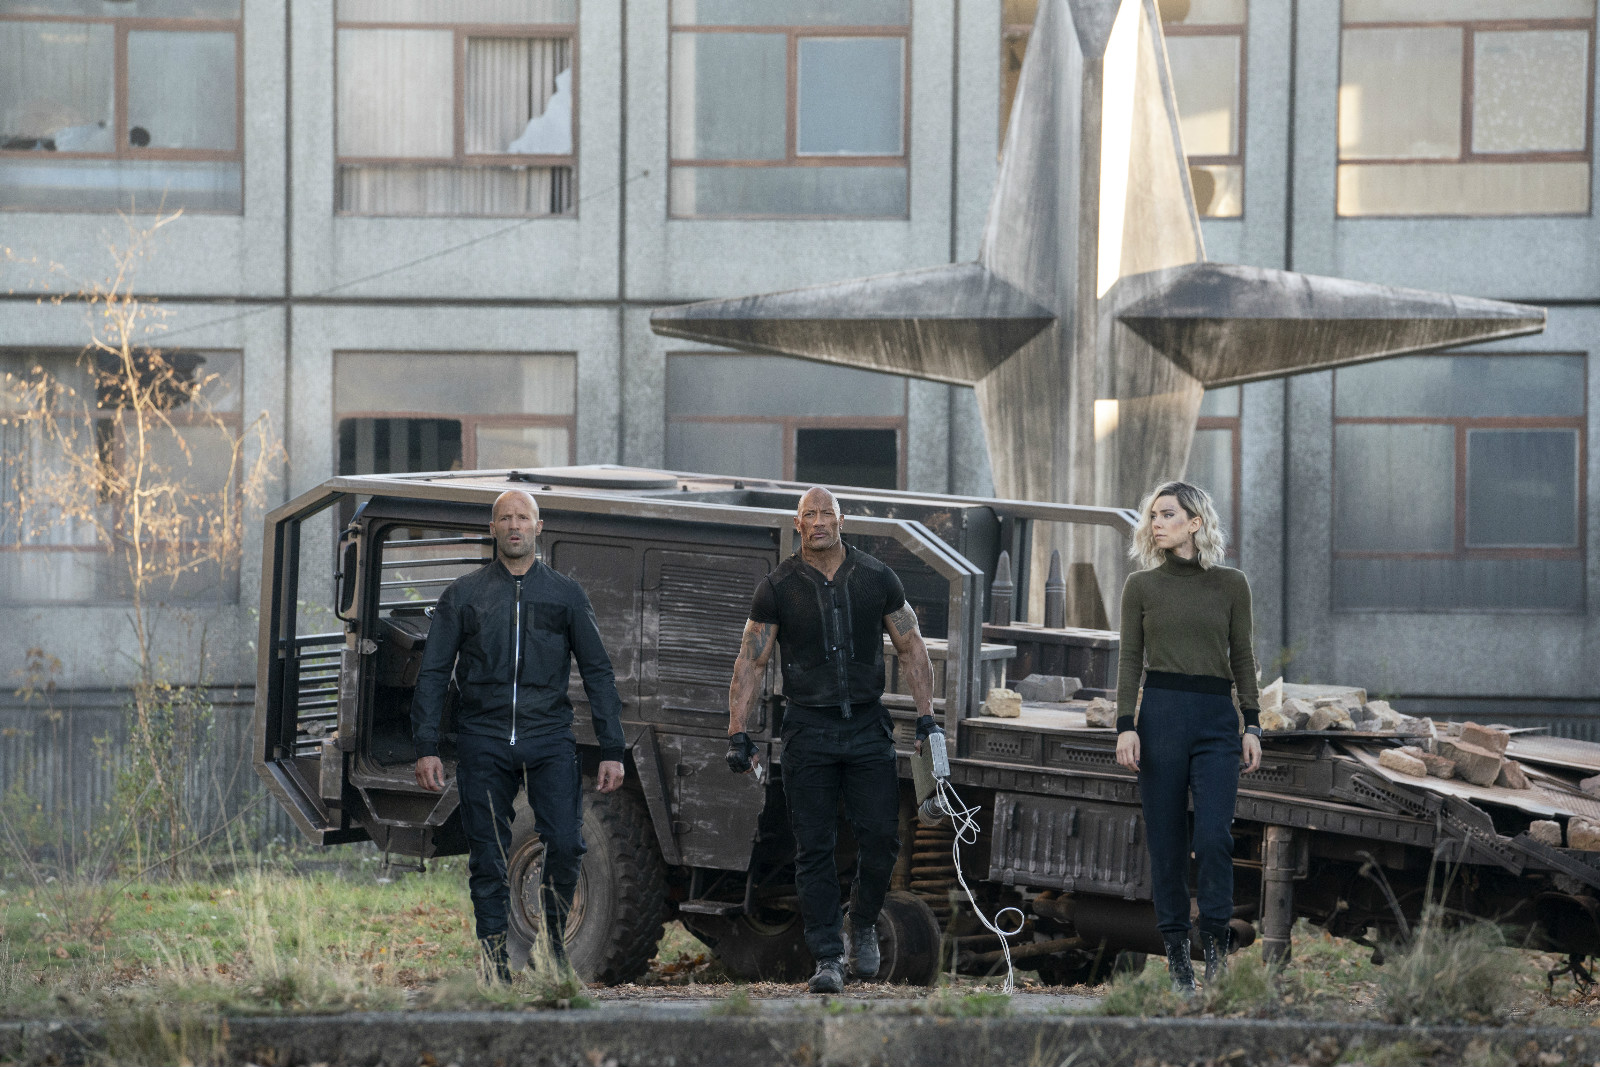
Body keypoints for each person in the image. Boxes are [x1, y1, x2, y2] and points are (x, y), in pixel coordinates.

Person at [725, 487, 939, 994]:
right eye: (810, 515)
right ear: (797, 525)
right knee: (814, 849)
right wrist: (737, 730)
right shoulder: (777, 587)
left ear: (842, 522)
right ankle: (827, 956)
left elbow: (911, 647)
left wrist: (928, 719)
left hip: (866, 727)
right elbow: (751, 661)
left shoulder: (876, 577)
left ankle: (861, 922)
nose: (818, 521)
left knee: (882, 838)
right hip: (808, 729)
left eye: (827, 513)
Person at [412, 489, 626, 983]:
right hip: (483, 737)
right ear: (492, 529)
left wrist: (612, 748)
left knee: (567, 845)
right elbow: (434, 672)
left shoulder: (566, 594)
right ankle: (494, 963)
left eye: (523, 517)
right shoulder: (463, 594)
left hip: (548, 735)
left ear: (538, 526)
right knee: (488, 856)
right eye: (505, 518)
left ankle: (551, 950)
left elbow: (598, 672)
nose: (514, 526)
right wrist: (426, 745)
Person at [1113, 481, 1261, 994]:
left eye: (1168, 515)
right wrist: (1125, 726)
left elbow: (1243, 656)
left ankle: (1216, 953)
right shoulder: (1141, 587)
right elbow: (1129, 660)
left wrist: (1253, 724)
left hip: (1217, 721)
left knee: (1214, 839)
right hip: (1160, 720)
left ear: (1195, 523)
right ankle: (1178, 961)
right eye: (1153, 515)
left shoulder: (1231, 584)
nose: (1157, 523)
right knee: (1167, 845)